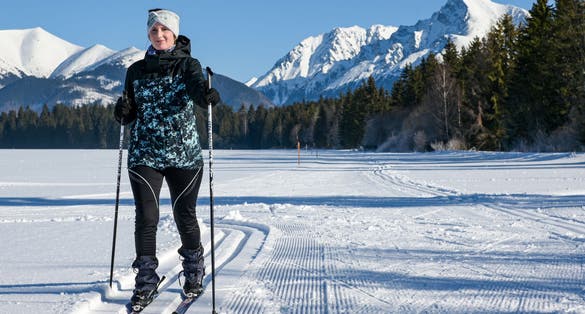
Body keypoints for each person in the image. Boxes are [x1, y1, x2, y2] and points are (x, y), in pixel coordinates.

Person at [114, 8, 221, 310]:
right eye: (153, 31)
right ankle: (146, 282)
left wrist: (208, 97)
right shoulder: (135, 70)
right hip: (144, 154)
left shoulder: (188, 65)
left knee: (184, 215)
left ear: (174, 33)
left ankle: (194, 270)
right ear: (148, 34)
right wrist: (122, 112)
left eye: (164, 30)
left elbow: (199, 93)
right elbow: (129, 108)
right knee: (146, 218)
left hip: (183, 155)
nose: (159, 35)